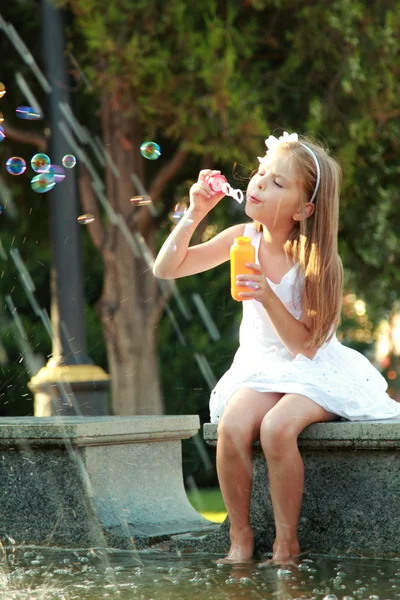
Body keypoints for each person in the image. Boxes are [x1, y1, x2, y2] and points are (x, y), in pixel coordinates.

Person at [152, 131, 400, 566]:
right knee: (231, 428)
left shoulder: (317, 260)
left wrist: (267, 294)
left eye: (277, 182)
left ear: (305, 209)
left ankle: (287, 543)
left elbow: (306, 346)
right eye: (261, 174)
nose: (259, 183)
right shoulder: (241, 238)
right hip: (263, 367)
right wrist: (194, 213)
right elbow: (167, 267)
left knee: (277, 429)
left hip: (314, 367)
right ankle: (241, 537)